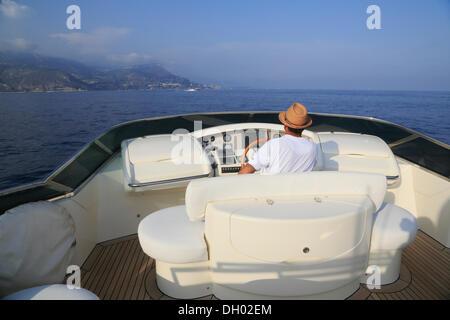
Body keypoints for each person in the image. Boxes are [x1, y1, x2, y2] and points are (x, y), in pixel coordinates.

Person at [238, 102, 318, 175]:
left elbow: (246, 171)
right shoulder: (313, 147)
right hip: (298, 190)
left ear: (285, 126)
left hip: (272, 190)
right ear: (303, 128)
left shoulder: (273, 145)